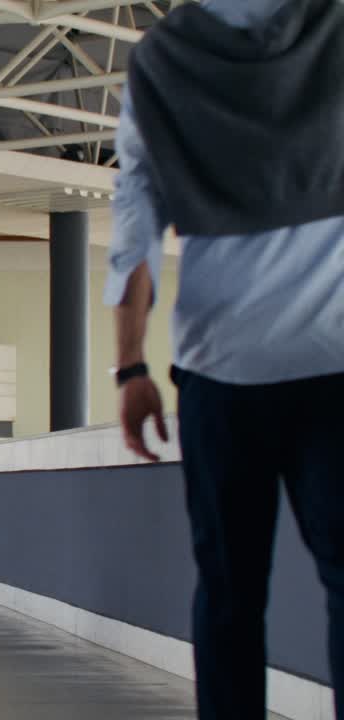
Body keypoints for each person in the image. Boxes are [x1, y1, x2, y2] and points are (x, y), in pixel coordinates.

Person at [111, 2, 344, 718]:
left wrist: (131, 367)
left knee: (228, 593)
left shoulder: (159, 60)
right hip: (334, 363)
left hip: (220, 371)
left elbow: (135, 221)